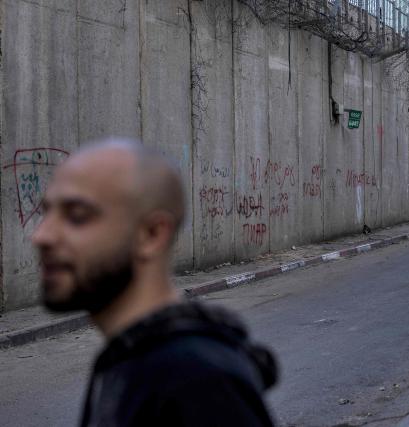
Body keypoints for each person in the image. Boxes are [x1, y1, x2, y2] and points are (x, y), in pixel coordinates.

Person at [31, 139, 277, 426]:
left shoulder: (197, 381)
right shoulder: (126, 359)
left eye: (77, 216)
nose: (42, 236)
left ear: (151, 235)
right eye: (45, 212)